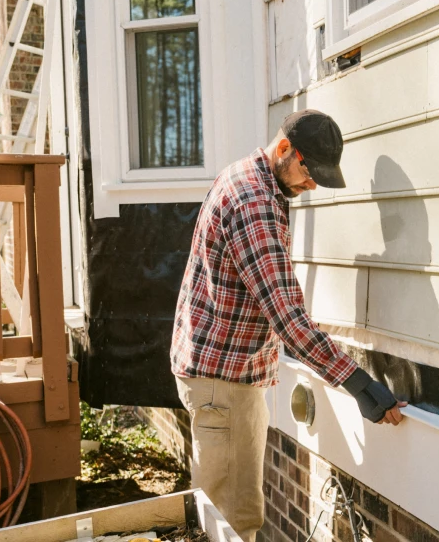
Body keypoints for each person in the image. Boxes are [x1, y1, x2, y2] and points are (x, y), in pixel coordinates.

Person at [170, 109, 405, 541]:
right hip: (223, 383)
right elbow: (288, 319)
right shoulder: (254, 203)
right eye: (307, 171)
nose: (311, 184)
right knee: (232, 523)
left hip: (220, 374)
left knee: (229, 517)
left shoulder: (247, 177)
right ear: (283, 150)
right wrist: (359, 385)